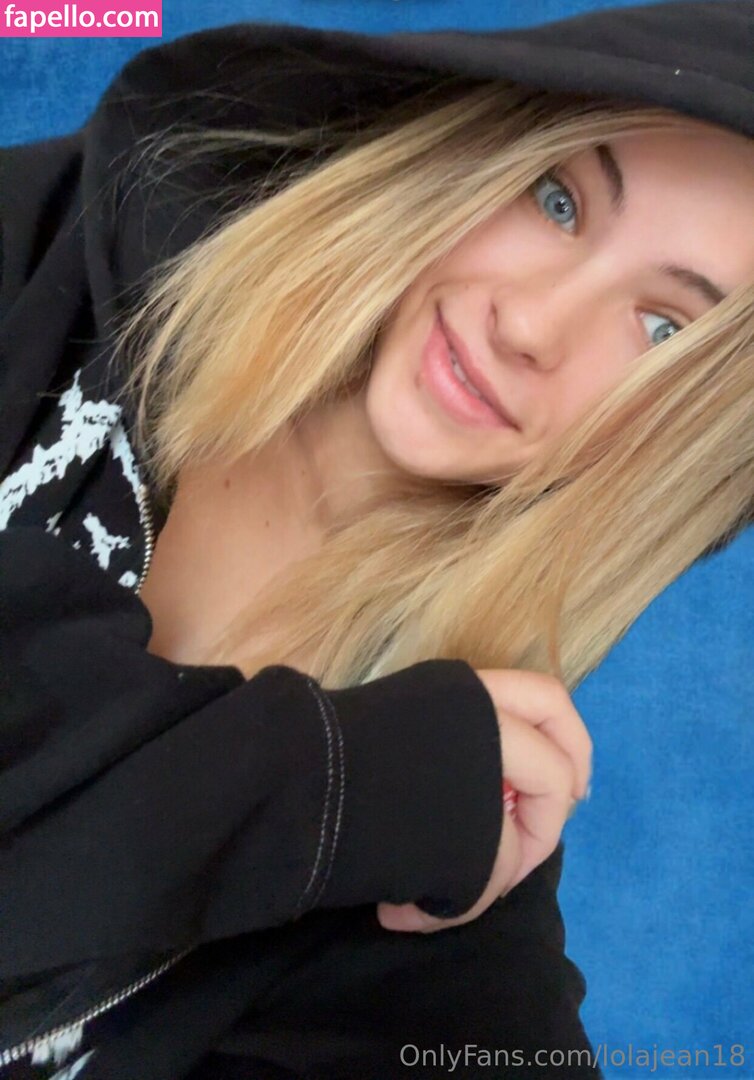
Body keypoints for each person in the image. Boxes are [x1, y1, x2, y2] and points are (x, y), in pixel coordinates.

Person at [1, 1, 753, 1077]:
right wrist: (331, 789)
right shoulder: (54, 248)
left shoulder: (453, 868)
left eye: (661, 330)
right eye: (559, 200)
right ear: (477, 152)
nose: (529, 325)